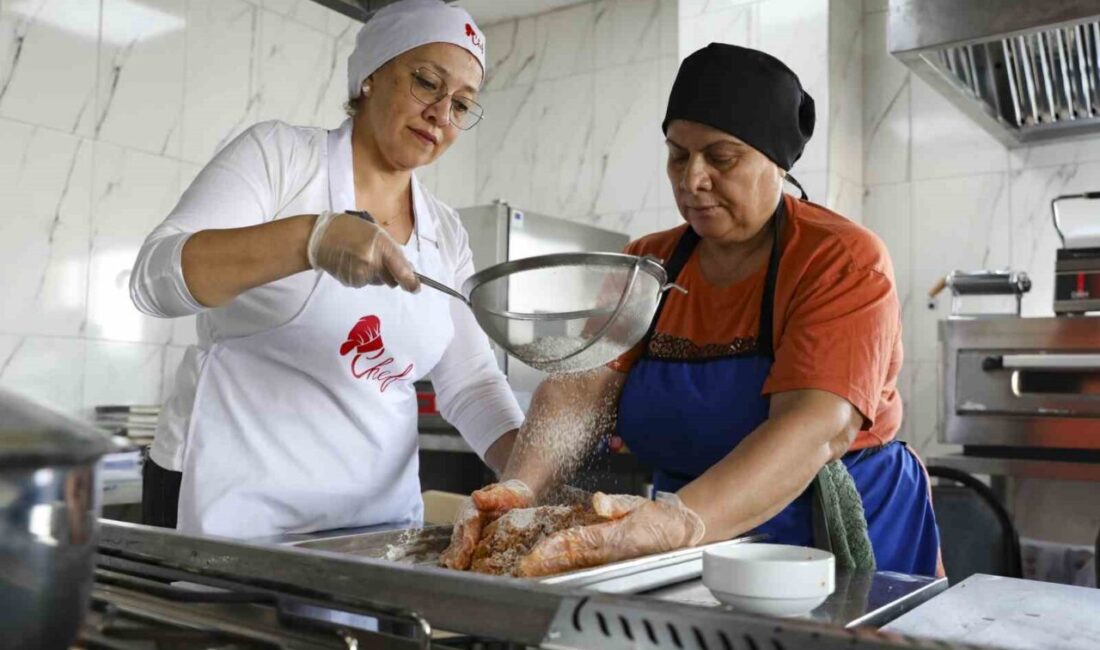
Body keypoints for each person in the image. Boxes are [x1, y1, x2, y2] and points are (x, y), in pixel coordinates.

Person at [442, 43, 942, 578]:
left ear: (775, 162)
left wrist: (677, 524)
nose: (692, 179)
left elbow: (815, 427)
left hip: (834, 538)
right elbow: (579, 389)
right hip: (692, 536)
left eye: (721, 158)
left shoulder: (839, 258)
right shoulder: (647, 263)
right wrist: (522, 487)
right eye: (678, 154)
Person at [130, 0, 524, 538]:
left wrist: (533, 478)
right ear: (370, 76)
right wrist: (309, 238)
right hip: (232, 510)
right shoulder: (282, 160)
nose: (441, 113)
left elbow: (472, 384)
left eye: (461, 104)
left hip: (375, 528)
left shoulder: (445, 232)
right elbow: (154, 280)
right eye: (427, 82)